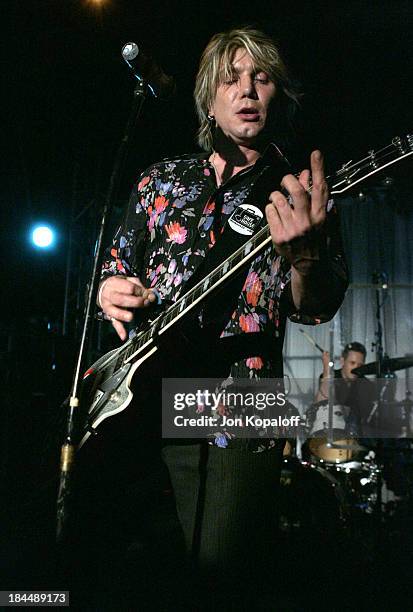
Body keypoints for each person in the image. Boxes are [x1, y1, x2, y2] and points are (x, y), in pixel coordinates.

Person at [85, 27, 348, 608]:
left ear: (280, 94)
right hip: (137, 391)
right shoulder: (161, 181)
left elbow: (318, 304)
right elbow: (112, 271)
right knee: (114, 571)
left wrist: (305, 256)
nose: (247, 90)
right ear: (209, 99)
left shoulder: (303, 189)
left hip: (243, 398)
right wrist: (110, 290)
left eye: (262, 77)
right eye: (231, 79)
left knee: (219, 582)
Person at [314, 342, 375, 437]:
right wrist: (327, 368)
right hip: (330, 433)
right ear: (342, 361)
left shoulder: (367, 385)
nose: (356, 368)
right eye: (352, 363)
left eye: (360, 365)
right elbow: (322, 404)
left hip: (355, 437)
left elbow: (365, 420)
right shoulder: (329, 376)